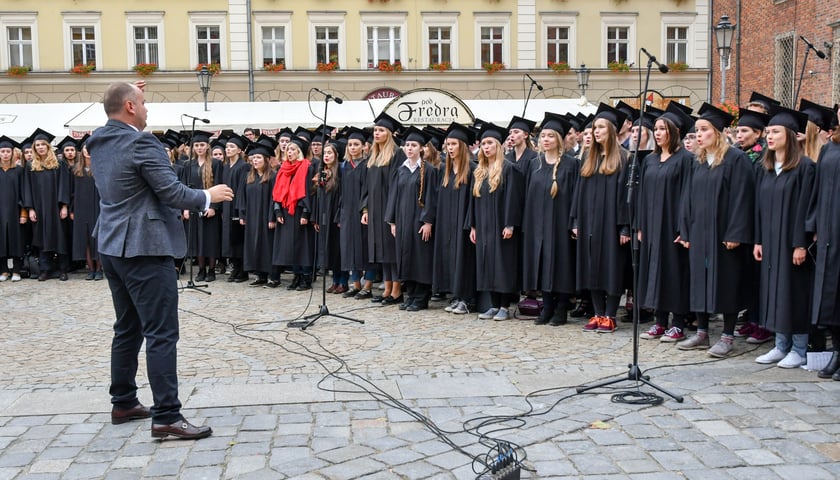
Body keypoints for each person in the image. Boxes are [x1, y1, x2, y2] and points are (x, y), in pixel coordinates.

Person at [87, 81, 233, 439]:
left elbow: (114, 111)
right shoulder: (141, 142)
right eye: (143, 103)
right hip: (144, 247)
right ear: (131, 108)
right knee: (161, 333)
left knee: (128, 327)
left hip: (112, 246)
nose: (148, 108)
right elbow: (172, 192)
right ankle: (167, 415)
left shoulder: (97, 141)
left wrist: (124, 92)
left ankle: (123, 402)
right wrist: (207, 195)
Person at [677, 103, 755, 357]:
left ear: (718, 132)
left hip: (724, 234)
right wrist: (685, 230)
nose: (698, 135)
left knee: (727, 281)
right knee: (699, 280)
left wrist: (735, 233)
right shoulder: (698, 161)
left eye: (704, 130)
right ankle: (701, 332)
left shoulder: (736, 159)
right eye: (697, 131)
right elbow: (687, 198)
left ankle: (727, 335)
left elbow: (743, 199)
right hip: (699, 232)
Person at [753, 106, 815, 368]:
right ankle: (780, 345)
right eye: (768, 132)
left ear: (790, 135)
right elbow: (757, 207)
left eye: (775, 132)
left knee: (794, 294)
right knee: (774, 293)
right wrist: (758, 240)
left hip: (792, 243)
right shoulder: (766, 167)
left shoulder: (805, 168)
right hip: (770, 242)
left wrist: (800, 243)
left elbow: (807, 208)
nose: (769, 136)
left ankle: (799, 349)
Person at [636, 103, 695, 342]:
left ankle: (678, 323)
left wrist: (685, 228)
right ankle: (659, 322)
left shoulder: (686, 159)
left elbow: (688, 195)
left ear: (675, 131)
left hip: (673, 226)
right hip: (651, 226)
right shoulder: (650, 160)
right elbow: (642, 195)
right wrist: (640, 224)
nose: (658, 133)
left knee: (674, 273)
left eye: (663, 128)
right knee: (654, 271)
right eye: (656, 128)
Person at [572, 104, 630, 333]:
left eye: (601, 128)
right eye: (595, 128)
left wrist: (625, 227)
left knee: (611, 268)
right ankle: (597, 313)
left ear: (613, 131)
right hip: (588, 222)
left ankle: (610, 314)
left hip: (611, 224)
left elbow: (628, 197)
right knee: (591, 268)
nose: (596, 132)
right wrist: (575, 221)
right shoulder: (588, 157)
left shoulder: (625, 158)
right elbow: (578, 192)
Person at [522, 113, 577, 326]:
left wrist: (574, 222)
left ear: (559, 139)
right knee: (541, 264)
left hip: (560, 223)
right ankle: (546, 306)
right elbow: (527, 195)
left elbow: (575, 195)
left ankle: (561, 307)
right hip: (537, 224)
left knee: (561, 264)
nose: (545, 140)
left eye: (550, 136)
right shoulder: (534, 164)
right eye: (543, 136)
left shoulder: (571, 164)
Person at [468, 123, 524, 321]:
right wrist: (472, 225)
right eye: (483, 143)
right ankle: (493, 305)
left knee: (502, 264)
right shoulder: (480, 170)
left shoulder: (509, 169)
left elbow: (513, 199)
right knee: (486, 264)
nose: (486, 147)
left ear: (499, 146)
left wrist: (510, 224)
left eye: (490, 143)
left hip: (501, 225)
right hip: (483, 225)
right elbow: (473, 200)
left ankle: (504, 306)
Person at [385, 127, 438, 311]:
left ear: (421, 148)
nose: (409, 148)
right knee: (405, 258)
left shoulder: (428, 170)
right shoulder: (402, 169)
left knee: (420, 259)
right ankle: (411, 296)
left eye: (413, 145)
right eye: (407, 145)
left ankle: (421, 298)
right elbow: (394, 196)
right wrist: (392, 221)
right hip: (402, 221)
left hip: (419, 222)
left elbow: (431, 197)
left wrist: (428, 222)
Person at [808, 106, 840, 380]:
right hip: (830, 234)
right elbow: (818, 190)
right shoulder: (830, 148)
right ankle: (837, 351)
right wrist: (815, 226)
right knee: (830, 300)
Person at [433, 123, 477, 315]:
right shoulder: (445, 171)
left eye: (453, 144)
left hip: (463, 223)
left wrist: (469, 223)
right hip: (446, 223)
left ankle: (466, 299)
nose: (449, 148)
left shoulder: (472, 170)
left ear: (463, 146)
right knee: (450, 259)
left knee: (464, 261)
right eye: (447, 144)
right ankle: (455, 296)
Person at [362, 113, 405, 305]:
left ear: (389, 133)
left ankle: (397, 290)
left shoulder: (397, 154)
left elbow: (398, 186)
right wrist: (365, 210)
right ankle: (387, 288)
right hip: (375, 210)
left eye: (380, 130)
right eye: (375, 131)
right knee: (381, 252)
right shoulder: (374, 156)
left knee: (391, 252)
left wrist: (393, 214)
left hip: (390, 209)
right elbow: (367, 187)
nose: (377, 134)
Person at [24, 128, 71, 281]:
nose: (40, 147)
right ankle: (45, 269)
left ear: (48, 146)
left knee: (60, 237)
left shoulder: (59, 164)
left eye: (43, 144)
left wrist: (64, 205)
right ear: (34, 148)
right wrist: (30, 208)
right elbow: (27, 188)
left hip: (56, 208)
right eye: (37, 145)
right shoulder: (31, 166)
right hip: (39, 208)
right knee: (42, 239)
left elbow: (65, 185)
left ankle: (63, 269)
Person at [272, 135, 316, 290]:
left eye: (293, 150)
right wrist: (277, 212)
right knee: (290, 246)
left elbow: (308, 192)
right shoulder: (283, 169)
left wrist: (305, 213)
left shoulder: (307, 167)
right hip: (285, 211)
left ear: (299, 152)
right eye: (288, 149)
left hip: (299, 211)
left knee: (301, 245)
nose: (289, 152)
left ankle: (306, 278)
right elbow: (277, 192)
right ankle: (296, 276)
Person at [337, 127, 376, 299]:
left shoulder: (368, 166)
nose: (352, 147)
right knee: (349, 250)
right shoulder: (344, 167)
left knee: (366, 251)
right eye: (350, 144)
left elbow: (369, 191)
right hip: (347, 214)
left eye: (356, 144)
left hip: (363, 214)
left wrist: (365, 209)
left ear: (363, 146)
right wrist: (340, 214)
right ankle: (355, 285)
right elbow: (340, 193)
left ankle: (367, 287)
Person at [239, 140, 277, 286]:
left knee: (267, 245)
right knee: (254, 245)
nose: (255, 160)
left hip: (266, 217)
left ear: (266, 159)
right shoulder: (249, 177)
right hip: (252, 217)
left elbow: (275, 199)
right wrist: (242, 215)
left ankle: (273, 276)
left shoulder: (272, 176)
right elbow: (242, 197)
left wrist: (272, 217)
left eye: (259, 158)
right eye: (253, 158)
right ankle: (259, 275)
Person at [313, 141, 346, 294]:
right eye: (325, 153)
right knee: (329, 250)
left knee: (339, 250)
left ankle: (343, 281)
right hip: (325, 216)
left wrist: (339, 216)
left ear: (337, 155)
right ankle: (334, 280)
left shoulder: (341, 172)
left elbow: (343, 196)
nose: (326, 156)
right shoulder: (322, 172)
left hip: (336, 216)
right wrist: (316, 218)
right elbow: (317, 197)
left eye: (330, 153)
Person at [70, 139, 102, 280]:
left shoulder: (101, 167)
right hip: (81, 208)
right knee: (86, 239)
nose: (87, 151)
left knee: (98, 238)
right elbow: (70, 192)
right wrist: (71, 209)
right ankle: (91, 269)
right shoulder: (75, 170)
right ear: (82, 151)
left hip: (99, 207)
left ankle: (99, 269)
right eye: (85, 149)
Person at [221, 134, 250, 283]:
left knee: (238, 239)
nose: (228, 149)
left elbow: (242, 189)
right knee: (229, 239)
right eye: (227, 147)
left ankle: (242, 271)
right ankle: (235, 267)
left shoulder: (243, 166)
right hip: (226, 206)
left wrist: (240, 210)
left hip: (237, 207)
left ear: (239, 150)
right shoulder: (226, 167)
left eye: (232, 147)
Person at [0, 136, 25, 282]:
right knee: (1, 241)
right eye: (2, 151)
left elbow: (24, 191)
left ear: (12, 153)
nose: (5, 154)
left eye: (7, 151)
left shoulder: (19, 171)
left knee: (16, 240)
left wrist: (23, 213)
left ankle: (16, 270)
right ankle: (3, 270)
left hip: (15, 211)